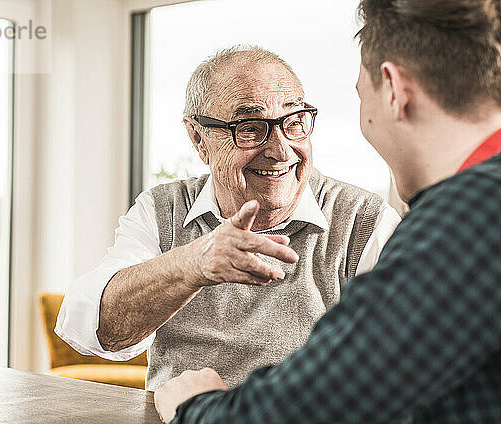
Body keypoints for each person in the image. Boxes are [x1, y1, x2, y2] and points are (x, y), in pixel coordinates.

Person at [154, 0, 501, 423]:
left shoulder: (463, 224)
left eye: (360, 92)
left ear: (394, 90)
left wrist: (196, 406)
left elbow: (309, 409)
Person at [55, 46, 400, 391]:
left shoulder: (364, 221)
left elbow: (398, 371)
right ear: (198, 138)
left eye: (294, 122)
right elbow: (95, 330)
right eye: (250, 127)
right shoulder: (162, 209)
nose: (280, 151)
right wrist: (195, 264)